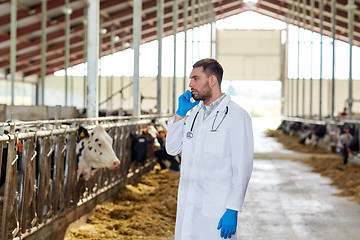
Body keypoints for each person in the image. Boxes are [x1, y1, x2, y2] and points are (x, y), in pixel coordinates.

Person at [166, 58, 254, 240]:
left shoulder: (237, 116)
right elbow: (172, 149)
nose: (190, 84)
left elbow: (242, 167)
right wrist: (180, 114)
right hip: (188, 205)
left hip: (217, 208)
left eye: (196, 78)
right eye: (190, 79)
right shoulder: (192, 115)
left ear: (212, 80)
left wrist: (233, 208)